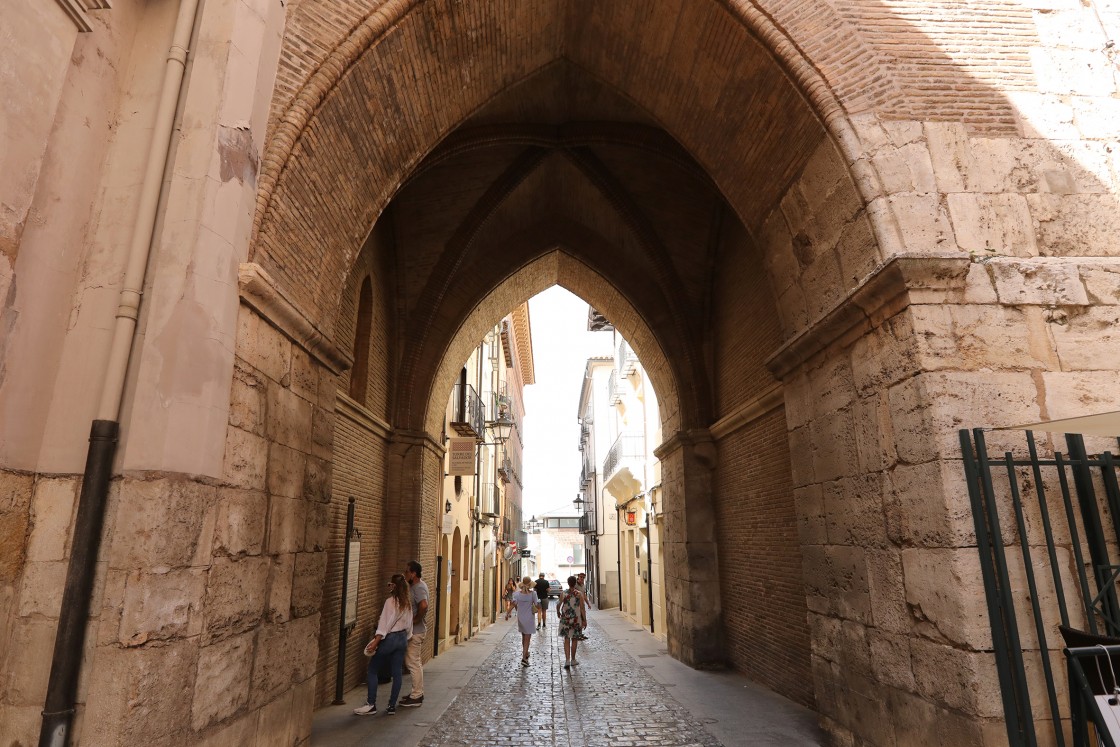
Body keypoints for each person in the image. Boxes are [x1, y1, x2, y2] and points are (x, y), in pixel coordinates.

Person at [354, 574, 412, 716]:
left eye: (390, 584)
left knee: (373, 669)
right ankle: (392, 706)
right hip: (403, 638)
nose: (389, 587)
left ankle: (371, 704)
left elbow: (384, 624)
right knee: (397, 672)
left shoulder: (390, 602)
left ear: (394, 586)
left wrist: (375, 642)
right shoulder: (408, 604)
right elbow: (410, 626)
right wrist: (405, 638)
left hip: (390, 638)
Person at [400, 560, 429, 708]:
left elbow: (423, 605)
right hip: (415, 630)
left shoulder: (418, 587)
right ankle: (416, 692)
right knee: (413, 661)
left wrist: (416, 620)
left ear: (413, 574)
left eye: (407, 572)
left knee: (413, 662)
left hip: (416, 632)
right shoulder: (416, 586)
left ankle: (417, 694)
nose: (405, 574)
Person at [557, 575, 587, 669]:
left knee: (566, 638)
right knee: (574, 639)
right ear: (575, 583)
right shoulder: (579, 594)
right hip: (576, 619)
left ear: (568, 583)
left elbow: (558, 604)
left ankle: (567, 660)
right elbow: (582, 607)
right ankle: (573, 659)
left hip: (565, 618)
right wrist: (584, 620)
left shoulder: (564, 593)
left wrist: (558, 611)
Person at [510, 576, 540, 666]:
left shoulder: (517, 594)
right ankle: (524, 658)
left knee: (524, 636)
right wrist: (538, 604)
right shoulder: (533, 594)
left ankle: (526, 653)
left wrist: (508, 613)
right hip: (529, 618)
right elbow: (537, 605)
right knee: (527, 638)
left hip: (521, 618)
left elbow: (513, 604)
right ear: (530, 585)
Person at [574, 572, 590, 641]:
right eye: (581, 577)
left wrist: (588, 603)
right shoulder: (575, 585)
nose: (582, 578)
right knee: (578, 620)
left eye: (583, 577)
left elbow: (584, 595)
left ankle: (580, 634)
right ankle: (577, 634)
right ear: (578, 577)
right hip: (576, 605)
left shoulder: (583, 585)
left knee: (582, 619)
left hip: (582, 604)